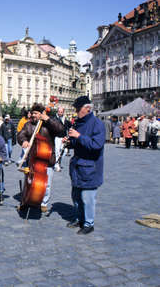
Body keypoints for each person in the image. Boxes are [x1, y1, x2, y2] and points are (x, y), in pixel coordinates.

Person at [65, 96, 105, 235]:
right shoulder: (78, 123)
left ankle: (89, 223)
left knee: (87, 198)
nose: (76, 112)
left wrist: (78, 137)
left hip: (90, 167)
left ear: (87, 109)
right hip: (77, 166)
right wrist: (70, 142)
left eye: (78, 109)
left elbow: (96, 145)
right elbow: (78, 142)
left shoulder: (97, 124)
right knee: (76, 196)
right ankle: (79, 218)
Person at [17, 103, 65, 213]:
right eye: (32, 113)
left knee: (46, 184)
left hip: (47, 158)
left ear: (42, 114)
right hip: (33, 158)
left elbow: (61, 130)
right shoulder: (28, 125)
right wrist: (23, 140)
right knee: (29, 181)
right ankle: (27, 200)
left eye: (36, 113)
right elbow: (21, 134)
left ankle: (43, 203)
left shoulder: (49, 124)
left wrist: (48, 119)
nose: (33, 115)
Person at [53, 107, 70, 172]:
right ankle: (56, 165)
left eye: (61, 112)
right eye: (59, 111)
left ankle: (59, 162)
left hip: (64, 137)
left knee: (65, 151)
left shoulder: (65, 119)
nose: (60, 113)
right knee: (57, 151)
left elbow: (69, 126)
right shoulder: (55, 119)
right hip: (57, 137)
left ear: (63, 112)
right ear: (57, 112)